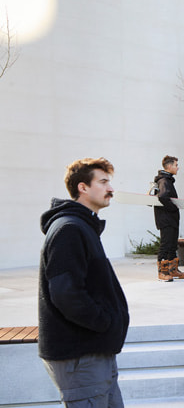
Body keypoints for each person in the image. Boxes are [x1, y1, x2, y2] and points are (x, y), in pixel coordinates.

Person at [38, 157, 130, 408]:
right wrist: (105, 322)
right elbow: (66, 294)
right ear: (83, 187)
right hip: (81, 355)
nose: (110, 189)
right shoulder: (69, 228)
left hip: (93, 351)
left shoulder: (82, 226)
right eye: (103, 182)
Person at [152, 155, 184, 281]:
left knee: (172, 245)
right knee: (166, 245)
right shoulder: (164, 181)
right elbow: (162, 197)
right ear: (169, 166)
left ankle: (172, 270)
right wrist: (174, 208)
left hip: (171, 219)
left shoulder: (167, 180)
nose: (178, 168)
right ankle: (162, 272)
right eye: (176, 165)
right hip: (166, 219)